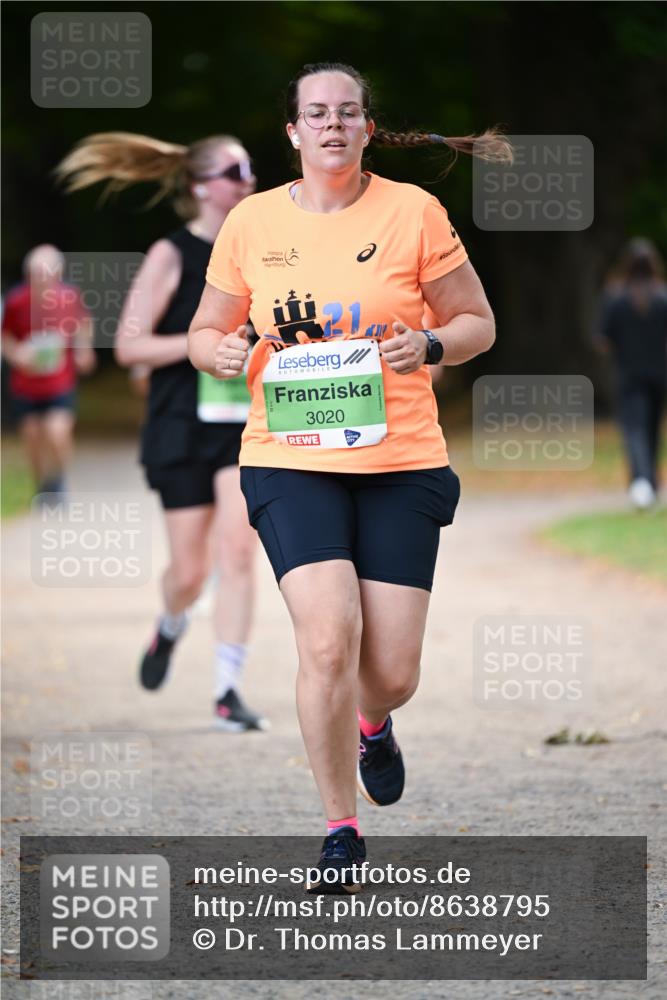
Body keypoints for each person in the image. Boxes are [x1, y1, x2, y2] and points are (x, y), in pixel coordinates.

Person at [189, 62, 510, 890]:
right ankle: (339, 829)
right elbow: (205, 331)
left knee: (390, 671)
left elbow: (477, 322)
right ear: (292, 132)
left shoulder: (412, 212)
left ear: (368, 127)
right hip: (289, 460)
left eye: (347, 112)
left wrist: (431, 344)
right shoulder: (252, 223)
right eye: (315, 113)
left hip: (399, 459)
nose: (332, 124)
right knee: (327, 639)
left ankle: (374, 722)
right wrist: (218, 350)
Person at [55, 132, 267, 731]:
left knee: (238, 551)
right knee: (191, 572)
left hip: (242, 425)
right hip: (178, 425)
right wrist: (203, 345)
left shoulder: (263, 250)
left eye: (250, 166)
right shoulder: (172, 252)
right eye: (234, 169)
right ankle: (171, 623)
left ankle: (228, 689)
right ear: (201, 185)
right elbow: (129, 346)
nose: (248, 176)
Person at [1, 244, 96, 499]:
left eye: (48, 275)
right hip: (26, 383)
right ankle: (40, 484)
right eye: (37, 276)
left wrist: (83, 350)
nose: (43, 282)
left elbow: (82, 324)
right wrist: (17, 354)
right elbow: (5, 337)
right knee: (32, 436)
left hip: (59, 381)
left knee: (57, 433)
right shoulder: (16, 301)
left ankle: (59, 480)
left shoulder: (69, 297)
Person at [595, 238, 667, 509]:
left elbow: (603, 340)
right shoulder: (662, 297)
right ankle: (651, 482)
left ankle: (641, 481)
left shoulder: (615, 298)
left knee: (634, 429)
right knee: (652, 429)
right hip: (659, 374)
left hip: (628, 375)